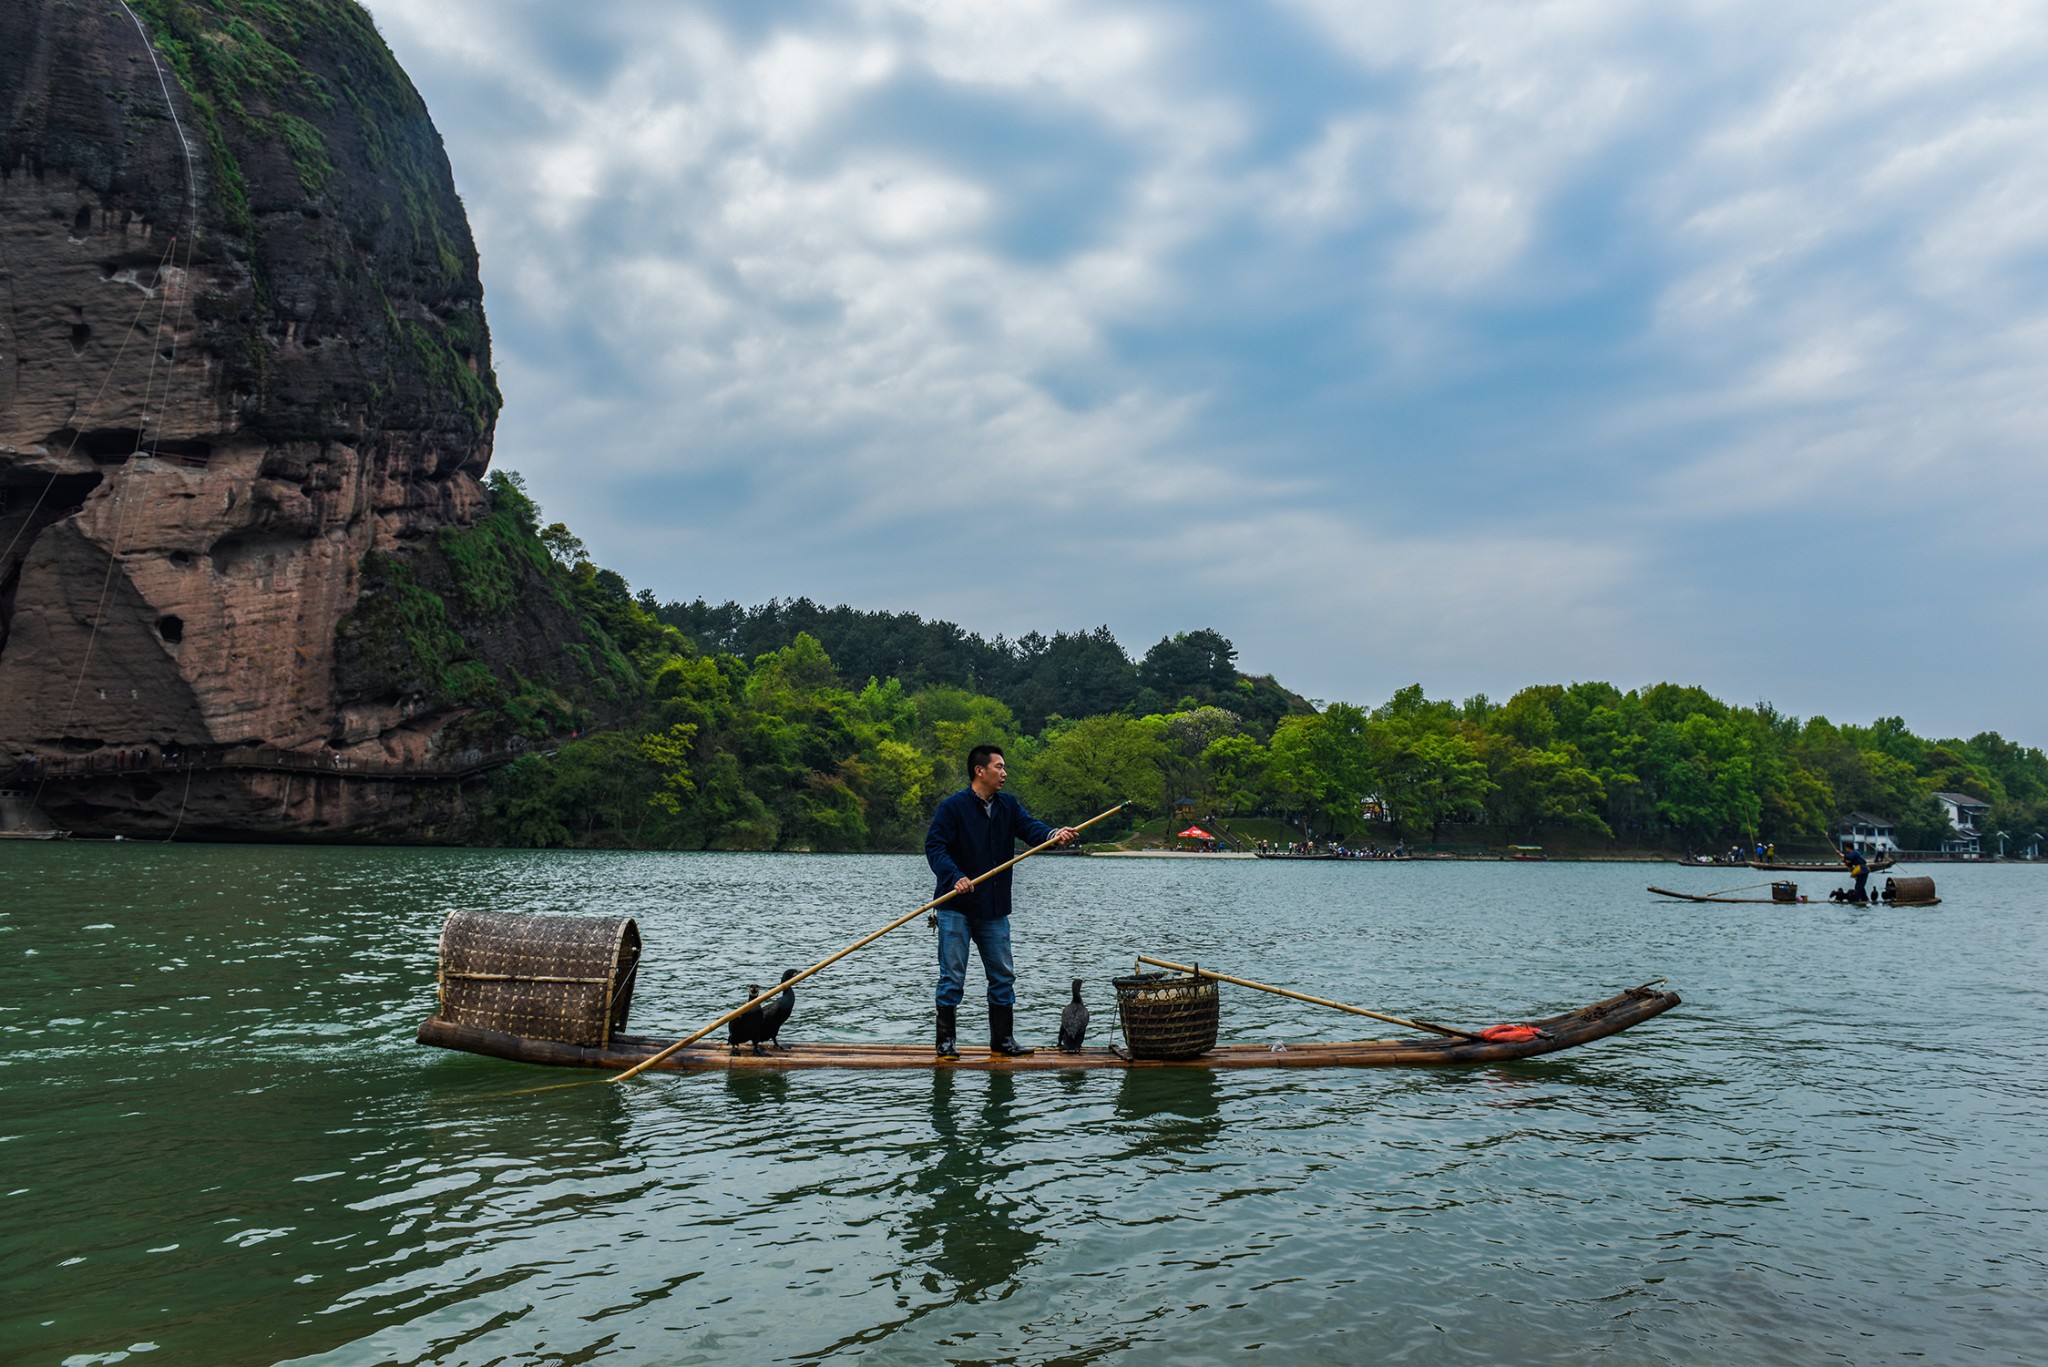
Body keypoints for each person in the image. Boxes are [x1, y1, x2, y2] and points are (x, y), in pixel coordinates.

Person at [924, 744, 1076, 1060]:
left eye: (1004, 768)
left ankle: (1003, 1041)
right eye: (999, 767)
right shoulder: (952, 808)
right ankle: (946, 1043)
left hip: (993, 909)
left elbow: (1032, 829)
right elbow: (935, 847)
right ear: (980, 771)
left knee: (1003, 974)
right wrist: (955, 876)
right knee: (952, 976)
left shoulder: (1008, 805)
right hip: (955, 907)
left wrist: (1053, 835)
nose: (1004, 773)